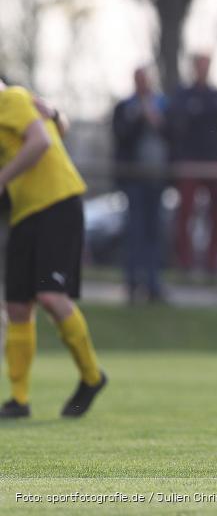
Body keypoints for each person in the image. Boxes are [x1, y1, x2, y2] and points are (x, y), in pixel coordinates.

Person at [0, 79, 106, 418]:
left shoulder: (11, 98)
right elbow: (56, 126)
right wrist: (58, 115)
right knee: (17, 305)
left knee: (50, 296)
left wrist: (2, 178)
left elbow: (42, 141)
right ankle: (18, 400)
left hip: (57, 203)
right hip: (24, 212)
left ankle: (92, 376)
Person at [168, 53, 217, 275]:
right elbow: (177, 122)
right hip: (190, 163)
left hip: (213, 163)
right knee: (185, 214)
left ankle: (213, 261)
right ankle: (184, 260)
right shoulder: (183, 94)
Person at [112, 66, 169, 303]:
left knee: (154, 232)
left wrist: (156, 119)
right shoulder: (125, 107)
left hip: (156, 179)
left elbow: (172, 133)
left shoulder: (163, 105)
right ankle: (133, 282)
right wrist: (139, 117)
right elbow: (120, 136)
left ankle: (154, 283)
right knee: (134, 231)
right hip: (134, 178)